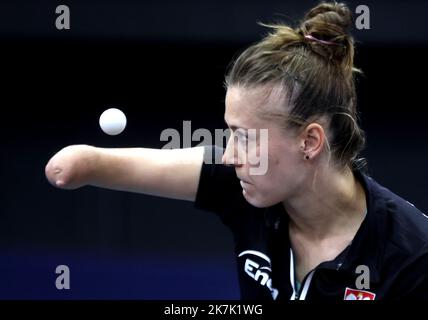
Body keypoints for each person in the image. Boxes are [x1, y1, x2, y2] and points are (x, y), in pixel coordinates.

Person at [45, 2, 428, 300]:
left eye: (244, 137)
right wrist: (84, 162)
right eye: (230, 134)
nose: (229, 156)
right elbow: (109, 165)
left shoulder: (411, 255)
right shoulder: (247, 185)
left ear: (309, 142)